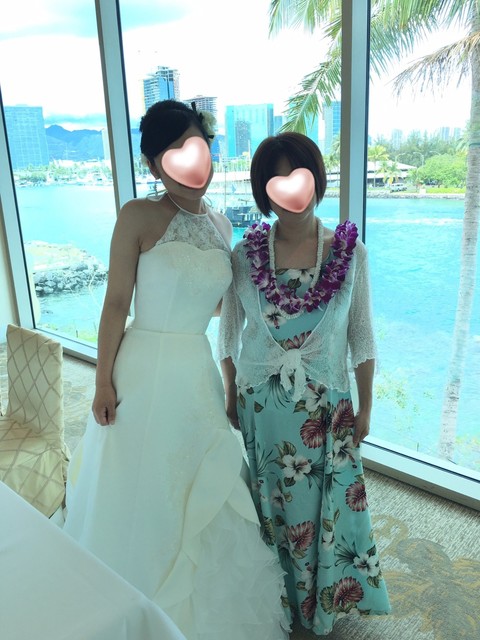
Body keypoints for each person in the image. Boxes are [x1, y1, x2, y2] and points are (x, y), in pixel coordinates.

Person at [63, 100, 289, 640]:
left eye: (200, 147)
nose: (193, 163)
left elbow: (220, 307)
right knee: (141, 482)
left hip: (195, 369)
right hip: (142, 368)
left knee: (204, 478)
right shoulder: (137, 216)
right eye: (175, 151)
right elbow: (116, 303)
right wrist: (101, 380)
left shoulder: (220, 224)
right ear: (154, 163)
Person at [218, 132, 391, 636]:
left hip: (327, 406)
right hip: (262, 407)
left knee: (323, 509)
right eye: (276, 183)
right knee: (274, 508)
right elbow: (229, 332)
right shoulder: (244, 256)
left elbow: (362, 335)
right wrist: (229, 392)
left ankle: (321, 605)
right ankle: (279, 601)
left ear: (317, 179)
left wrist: (366, 406)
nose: (291, 192)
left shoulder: (350, 253)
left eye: (300, 177)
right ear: (263, 193)